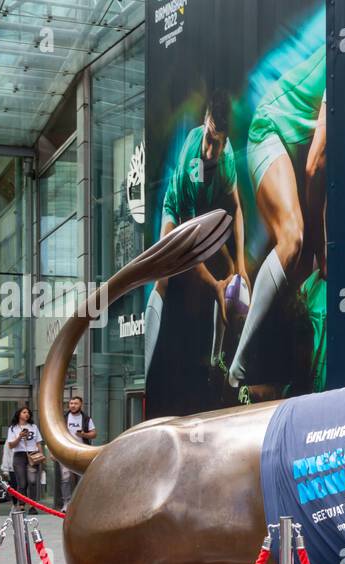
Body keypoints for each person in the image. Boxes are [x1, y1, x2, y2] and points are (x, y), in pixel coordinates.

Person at [228, 41, 327, 394]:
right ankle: (239, 362)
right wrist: (318, 243)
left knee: (302, 266)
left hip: (292, 146)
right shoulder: (340, 73)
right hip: (269, 129)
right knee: (294, 238)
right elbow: (315, 166)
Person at [143, 90, 250, 386]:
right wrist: (213, 284)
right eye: (208, 139)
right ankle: (149, 373)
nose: (210, 150)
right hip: (178, 213)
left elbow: (238, 208)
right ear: (205, 124)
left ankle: (217, 364)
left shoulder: (226, 160)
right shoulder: (193, 163)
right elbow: (189, 241)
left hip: (206, 213)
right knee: (162, 278)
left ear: (226, 140)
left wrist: (239, 265)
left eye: (217, 143)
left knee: (233, 276)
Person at [6, 406, 44, 512]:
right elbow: (11, 445)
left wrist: (41, 455)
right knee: (22, 482)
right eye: (24, 412)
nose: (26, 414)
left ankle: (32, 505)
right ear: (19, 414)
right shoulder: (13, 428)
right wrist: (19, 436)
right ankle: (22, 504)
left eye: (28, 412)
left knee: (32, 481)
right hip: (19, 456)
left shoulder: (33, 427)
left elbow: (38, 442)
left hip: (33, 454)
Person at [61, 396, 95, 508]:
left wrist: (84, 435)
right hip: (66, 451)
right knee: (66, 478)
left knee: (82, 478)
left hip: (82, 452)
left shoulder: (86, 418)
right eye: (71, 403)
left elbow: (94, 434)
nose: (73, 405)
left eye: (75, 403)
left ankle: (80, 504)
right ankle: (67, 503)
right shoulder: (63, 418)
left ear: (81, 405)